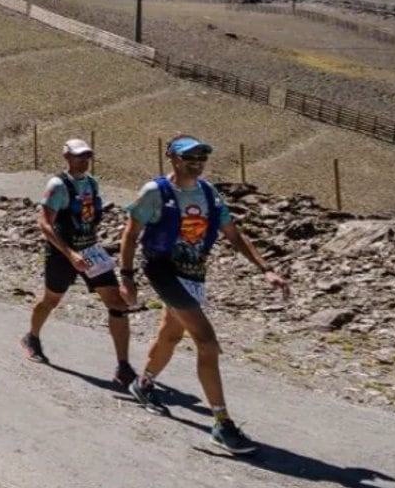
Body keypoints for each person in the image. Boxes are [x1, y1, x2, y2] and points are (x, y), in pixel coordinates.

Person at [118, 135, 290, 456]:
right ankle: (222, 424)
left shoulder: (208, 193)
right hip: (163, 270)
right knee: (207, 341)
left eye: (201, 157)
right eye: (189, 157)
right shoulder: (155, 192)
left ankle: (143, 384)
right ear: (172, 158)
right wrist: (127, 278)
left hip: (193, 273)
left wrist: (264, 268)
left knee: (170, 334)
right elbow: (130, 233)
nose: (196, 162)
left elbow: (233, 234)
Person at [20, 138, 136, 388]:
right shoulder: (57, 185)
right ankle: (32, 337)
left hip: (91, 250)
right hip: (62, 254)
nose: (83, 161)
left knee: (117, 303)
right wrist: (70, 253)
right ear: (67, 157)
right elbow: (45, 224)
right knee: (51, 300)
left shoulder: (91, 183)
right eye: (78, 156)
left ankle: (124, 366)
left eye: (87, 156)